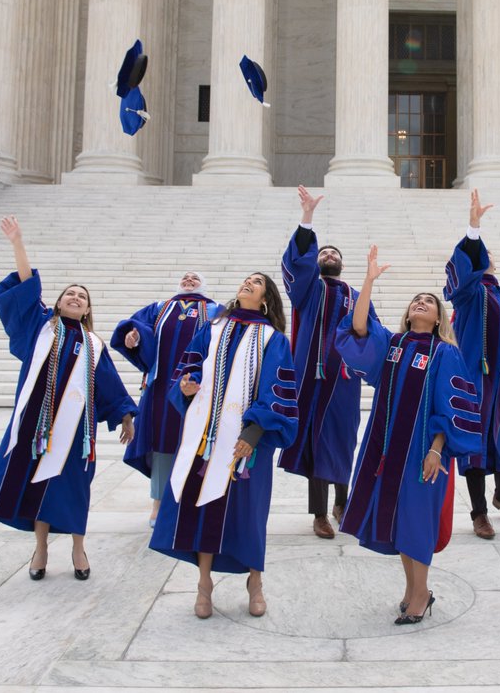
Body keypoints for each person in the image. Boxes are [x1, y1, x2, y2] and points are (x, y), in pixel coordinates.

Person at [0, 216, 136, 581]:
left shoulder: (94, 344)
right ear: (60, 303)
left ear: (87, 310)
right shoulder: (39, 326)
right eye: (70, 294)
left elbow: (110, 386)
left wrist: (126, 415)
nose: (75, 297)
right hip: (36, 426)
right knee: (39, 487)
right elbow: (25, 287)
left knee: (74, 488)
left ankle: (79, 547)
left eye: (82, 297)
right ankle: (42, 548)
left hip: (77, 433)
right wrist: (18, 244)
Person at [335, 246, 481, 625]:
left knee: (416, 524)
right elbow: (359, 328)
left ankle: (422, 594)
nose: (420, 303)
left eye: (428, 302)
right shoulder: (394, 346)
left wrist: (437, 449)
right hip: (386, 452)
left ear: (438, 318)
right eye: (416, 300)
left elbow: (451, 408)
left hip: (422, 455)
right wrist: (367, 280)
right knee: (400, 522)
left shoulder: (445, 353)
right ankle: (413, 590)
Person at [149, 272, 297, 619]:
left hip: (247, 445)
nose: (248, 283)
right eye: (246, 279)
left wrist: (253, 433)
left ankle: (255, 583)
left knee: (247, 515)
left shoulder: (273, 339)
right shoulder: (212, 328)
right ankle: (204, 585)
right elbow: (190, 367)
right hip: (204, 439)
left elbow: (278, 390)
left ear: (265, 298)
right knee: (201, 510)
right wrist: (188, 384)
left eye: (257, 282)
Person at [278, 185, 375, 539]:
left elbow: (370, 331)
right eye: (324, 251)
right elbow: (296, 265)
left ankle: (343, 501)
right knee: (315, 442)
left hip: (344, 381)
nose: (329, 254)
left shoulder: (354, 294)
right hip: (310, 379)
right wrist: (307, 219)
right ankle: (320, 513)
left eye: (334, 252)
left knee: (343, 439)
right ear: (318, 262)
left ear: (342, 264)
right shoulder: (310, 289)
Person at [443, 190, 500, 539]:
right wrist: (474, 228)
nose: (483, 258)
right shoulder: (469, 292)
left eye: (486, 255)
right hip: (476, 377)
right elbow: (464, 264)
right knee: (473, 443)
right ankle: (479, 513)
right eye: (479, 255)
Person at [111, 272, 216, 527]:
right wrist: (132, 338)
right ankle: (158, 502)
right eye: (186, 277)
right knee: (161, 444)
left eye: (195, 277)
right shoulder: (159, 308)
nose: (189, 279)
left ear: (204, 284)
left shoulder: (214, 311)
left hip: (196, 388)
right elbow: (137, 329)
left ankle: (190, 500)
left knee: (195, 443)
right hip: (159, 387)